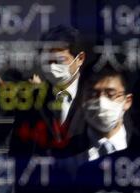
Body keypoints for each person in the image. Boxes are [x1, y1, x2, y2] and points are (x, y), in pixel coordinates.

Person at [8, 25, 88, 193]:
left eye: (59, 61)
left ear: (79, 58)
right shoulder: (31, 101)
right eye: (47, 61)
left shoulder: (96, 98)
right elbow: (18, 153)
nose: (52, 67)